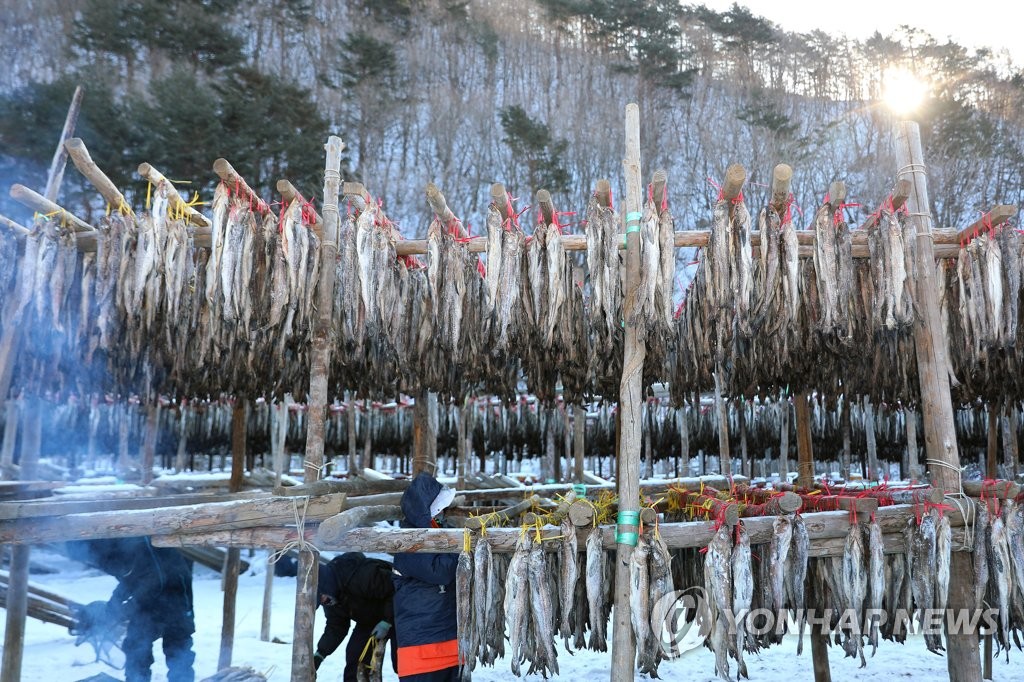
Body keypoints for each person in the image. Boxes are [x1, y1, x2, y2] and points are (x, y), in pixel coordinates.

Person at [67, 536, 196, 682]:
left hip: (176, 594)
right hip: (147, 601)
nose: (89, 562)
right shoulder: (112, 554)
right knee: (135, 646)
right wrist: (111, 610)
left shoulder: (135, 544)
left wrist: (127, 608)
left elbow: (156, 579)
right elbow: (128, 582)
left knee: (177, 647)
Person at [392, 472, 460, 681]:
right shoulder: (408, 540)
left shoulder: (437, 530)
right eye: (439, 508)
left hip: (450, 645)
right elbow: (441, 572)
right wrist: (461, 550)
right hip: (421, 649)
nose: (443, 513)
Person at [314, 551, 397, 681]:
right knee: (356, 658)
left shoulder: (363, 575)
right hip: (369, 621)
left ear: (325, 586)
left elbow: (397, 590)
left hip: (401, 613)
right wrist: (320, 653)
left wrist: (387, 621)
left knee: (402, 661)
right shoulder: (331, 597)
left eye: (321, 598)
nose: (323, 602)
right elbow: (336, 627)